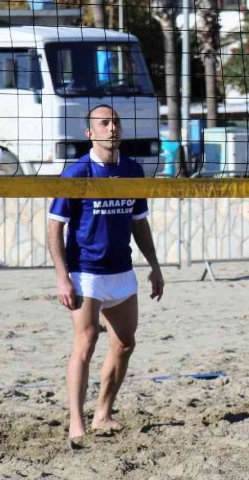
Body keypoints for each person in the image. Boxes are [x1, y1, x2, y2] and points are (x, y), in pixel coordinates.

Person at [48, 105, 164, 449]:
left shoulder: (132, 169)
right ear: (90, 133)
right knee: (85, 342)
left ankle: (103, 413)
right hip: (86, 272)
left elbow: (139, 221)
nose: (112, 128)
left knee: (126, 343)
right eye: (104, 123)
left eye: (115, 122)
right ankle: (76, 423)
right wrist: (62, 276)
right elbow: (55, 228)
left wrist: (155, 265)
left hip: (121, 271)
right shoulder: (77, 173)